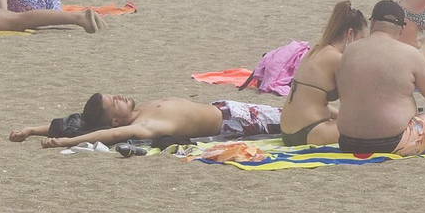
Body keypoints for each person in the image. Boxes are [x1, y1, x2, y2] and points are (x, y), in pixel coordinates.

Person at [335, 1, 425, 156]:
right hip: (392, 142)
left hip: (347, 142)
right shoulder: (409, 54)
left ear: (373, 23)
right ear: (402, 29)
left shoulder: (349, 52)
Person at [27, 96, 280, 149]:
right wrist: (65, 142)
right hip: (236, 122)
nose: (119, 96)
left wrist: (32, 130)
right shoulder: (143, 125)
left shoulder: (139, 111)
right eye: (115, 101)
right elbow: (106, 136)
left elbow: (80, 121)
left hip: (225, 107)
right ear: (116, 120)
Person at [279, 1, 368, 147]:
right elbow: (353, 105)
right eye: (361, 39)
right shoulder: (338, 59)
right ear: (350, 34)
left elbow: (311, 101)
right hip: (310, 131)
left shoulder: (316, 50)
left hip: (288, 131)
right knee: (371, 126)